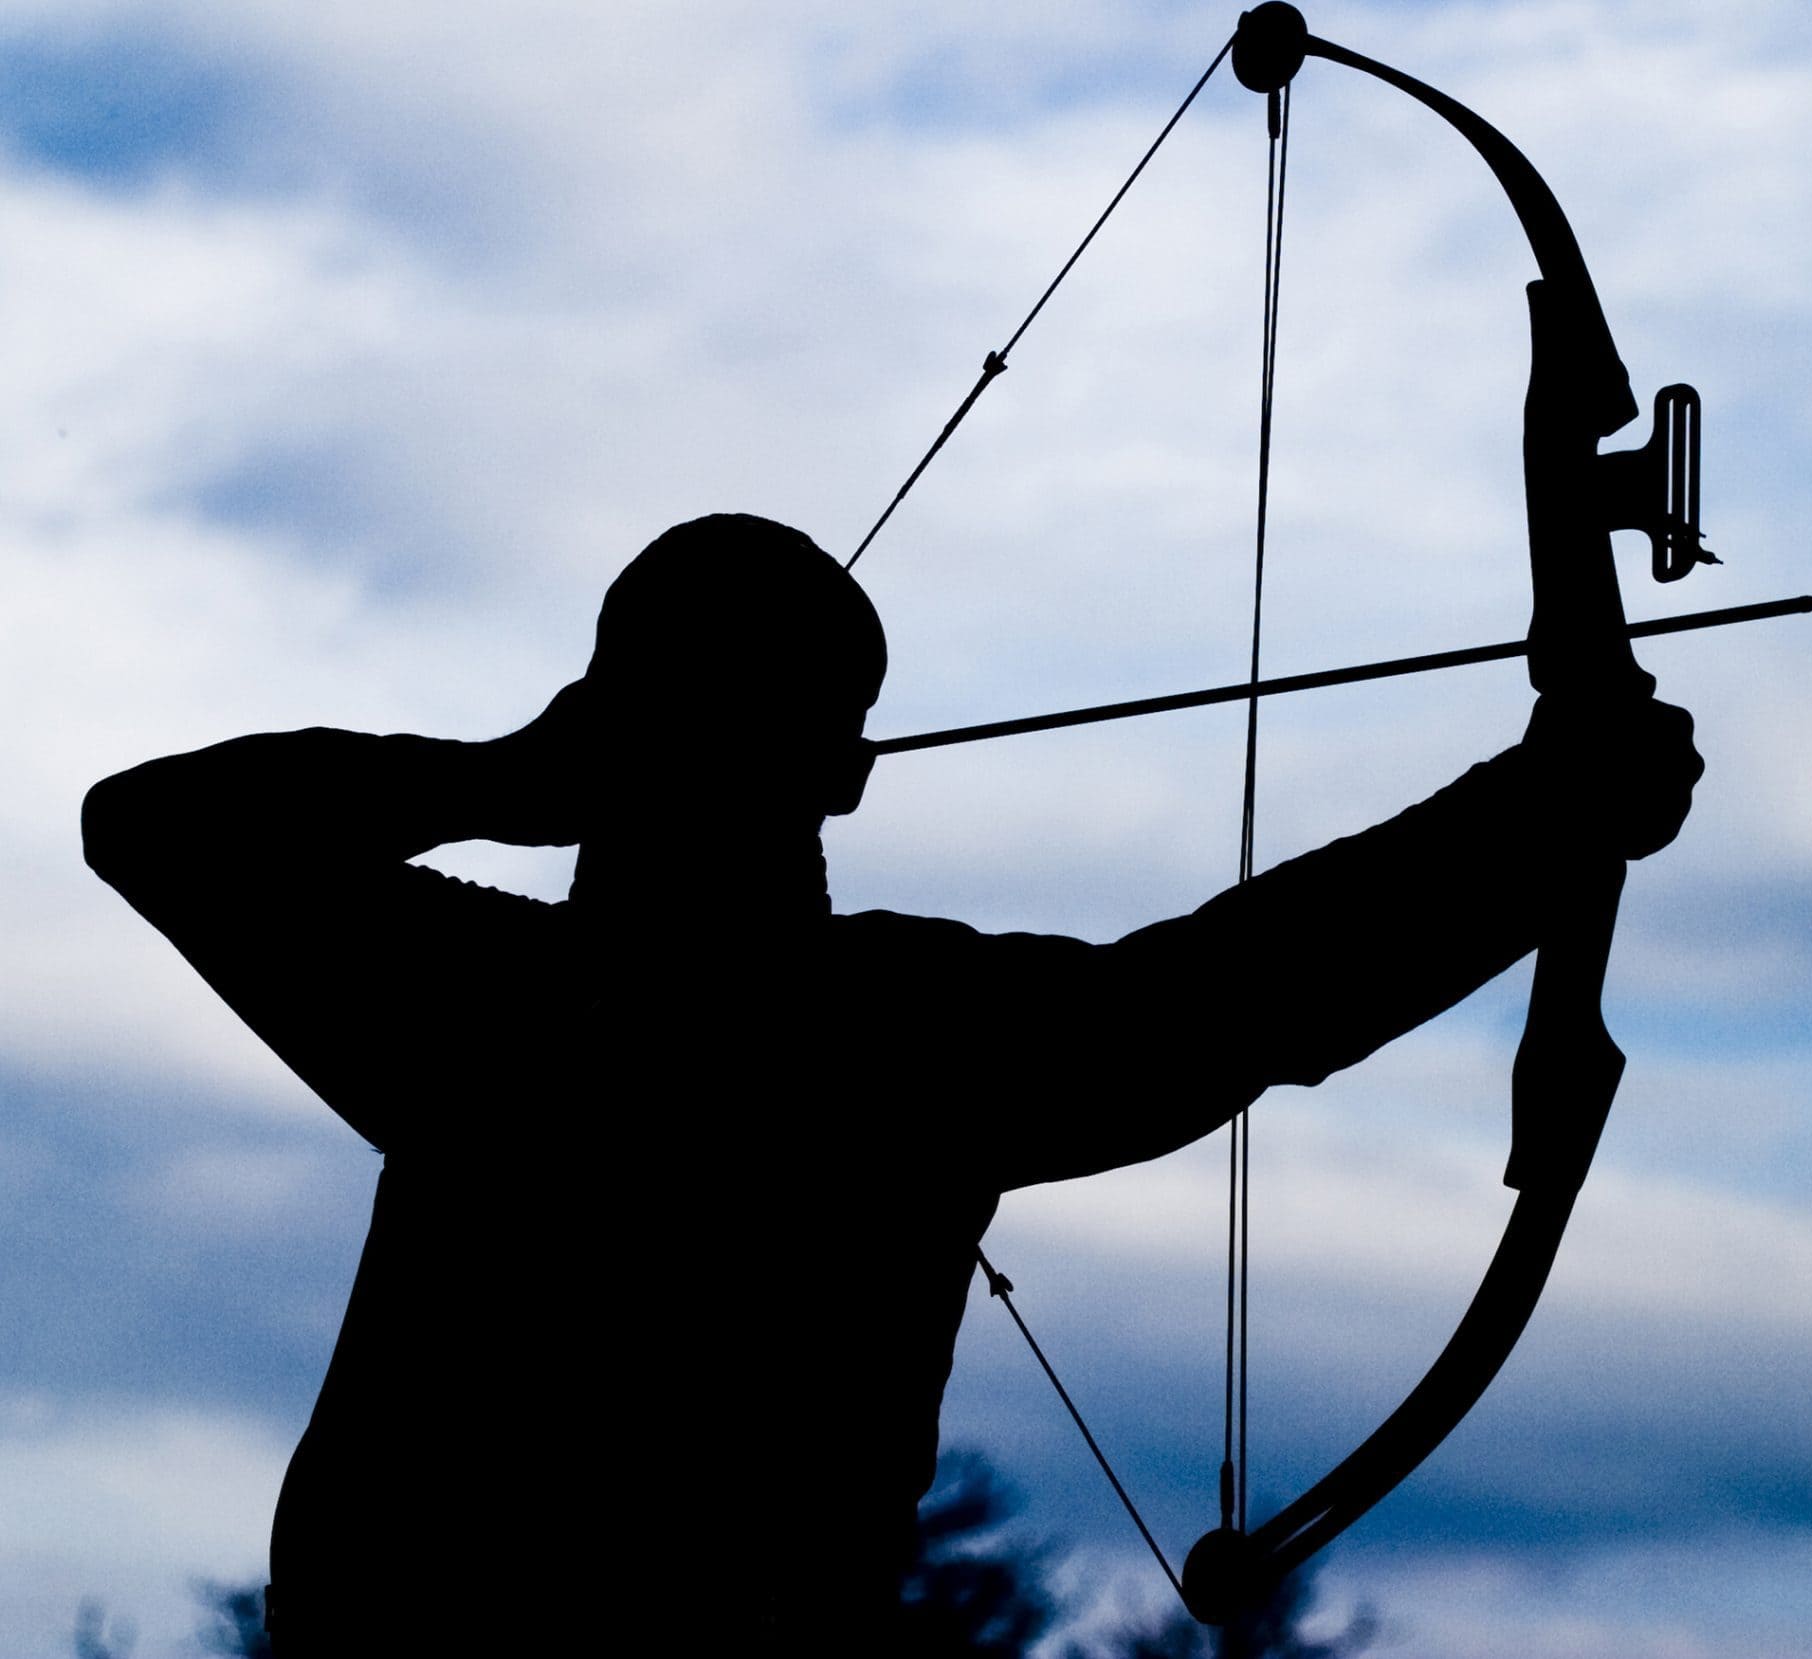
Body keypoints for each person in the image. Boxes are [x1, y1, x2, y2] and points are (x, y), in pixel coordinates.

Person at [83, 512, 1702, 1652]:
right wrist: (1548, 818)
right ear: (847, 769)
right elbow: (1234, 999)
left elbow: (163, 828)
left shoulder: (471, 1002)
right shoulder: (891, 1034)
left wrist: (512, 779)